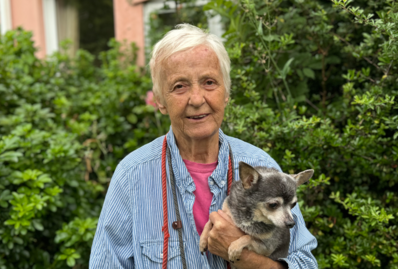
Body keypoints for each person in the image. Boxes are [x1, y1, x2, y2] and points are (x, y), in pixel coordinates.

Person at [89, 24, 318, 269]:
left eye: (209, 82)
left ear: (226, 92)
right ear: (160, 101)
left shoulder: (263, 170)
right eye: (179, 86)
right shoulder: (132, 175)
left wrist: (245, 256)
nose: (197, 99)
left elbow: (304, 263)